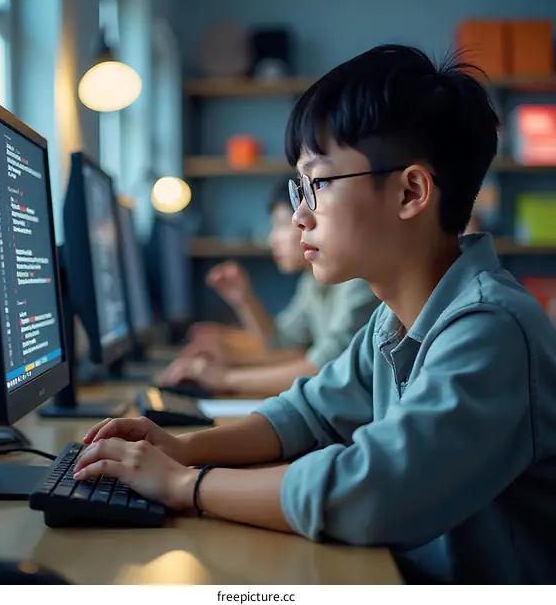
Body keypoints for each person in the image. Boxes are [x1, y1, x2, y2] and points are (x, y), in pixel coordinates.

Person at [73, 44, 556, 584]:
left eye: (318, 183)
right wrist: (182, 446)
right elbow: (309, 414)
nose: (300, 215)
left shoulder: (492, 330)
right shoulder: (393, 321)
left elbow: (372, 492)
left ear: (410, 192)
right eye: (298, 188)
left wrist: (186, 486)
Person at [158, 179, 379, 396]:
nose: (272, 239)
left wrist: (224, 378)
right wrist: (244, 300)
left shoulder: (357, 280)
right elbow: (281, 342)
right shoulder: (311, 282)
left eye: (282, 225)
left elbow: (327, 365)